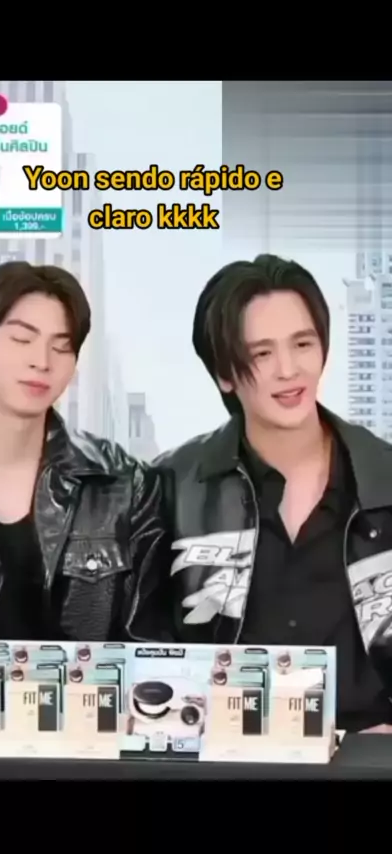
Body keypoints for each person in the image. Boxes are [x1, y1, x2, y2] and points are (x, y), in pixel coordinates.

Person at [0, 261, 168, 722]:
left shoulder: (122, 485)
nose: (41, 361)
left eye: (61, 347)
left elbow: (146, 648)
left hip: (73, 745)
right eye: (22, 339)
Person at [154, 253, 392, 734]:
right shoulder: (170, 487)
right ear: (224, 374)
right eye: (261, 353)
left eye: (302, 344)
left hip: (372, 758)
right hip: (221, 758)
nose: (289, 369)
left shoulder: (383, 477)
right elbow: (140, 653)